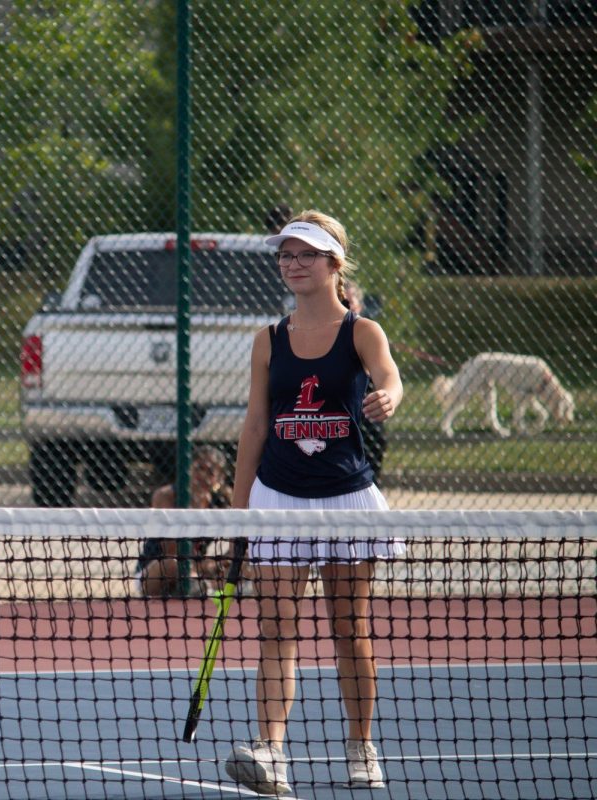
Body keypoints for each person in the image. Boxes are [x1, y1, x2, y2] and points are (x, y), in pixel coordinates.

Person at [223, 211, 403, 795]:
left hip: (347, 501)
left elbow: (390, 378)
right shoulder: (267, 340)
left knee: (349, 628)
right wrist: (236, 504)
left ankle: (361, 747)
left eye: (304, 255)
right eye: (285, 255)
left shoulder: (361, 332)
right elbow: (255, 424)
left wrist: (388, 399)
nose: (292, 264)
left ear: (333, 264)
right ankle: (271, 752)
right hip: (277, 496)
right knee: (276, 630)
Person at [135, 445, 233, 598]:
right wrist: (203, 567)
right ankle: (205, 588)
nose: (203, 475)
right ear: (188, 468)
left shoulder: (220, 503)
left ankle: (206, 588)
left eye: (210, 472)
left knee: (248, 562)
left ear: (219, 480)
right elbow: (171, 550)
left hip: (198, 570)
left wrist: (219, 562)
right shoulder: (166, 496)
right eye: (199, 468)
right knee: (172, 564)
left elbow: (240, 540)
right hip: (157, 571)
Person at [343, 279, 387, 480]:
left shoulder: (367, 333)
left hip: (364, 409)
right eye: (341, 301)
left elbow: (387, 376)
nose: (346, 306)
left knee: (374, 438)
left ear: (359, 306)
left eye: (350, 302)